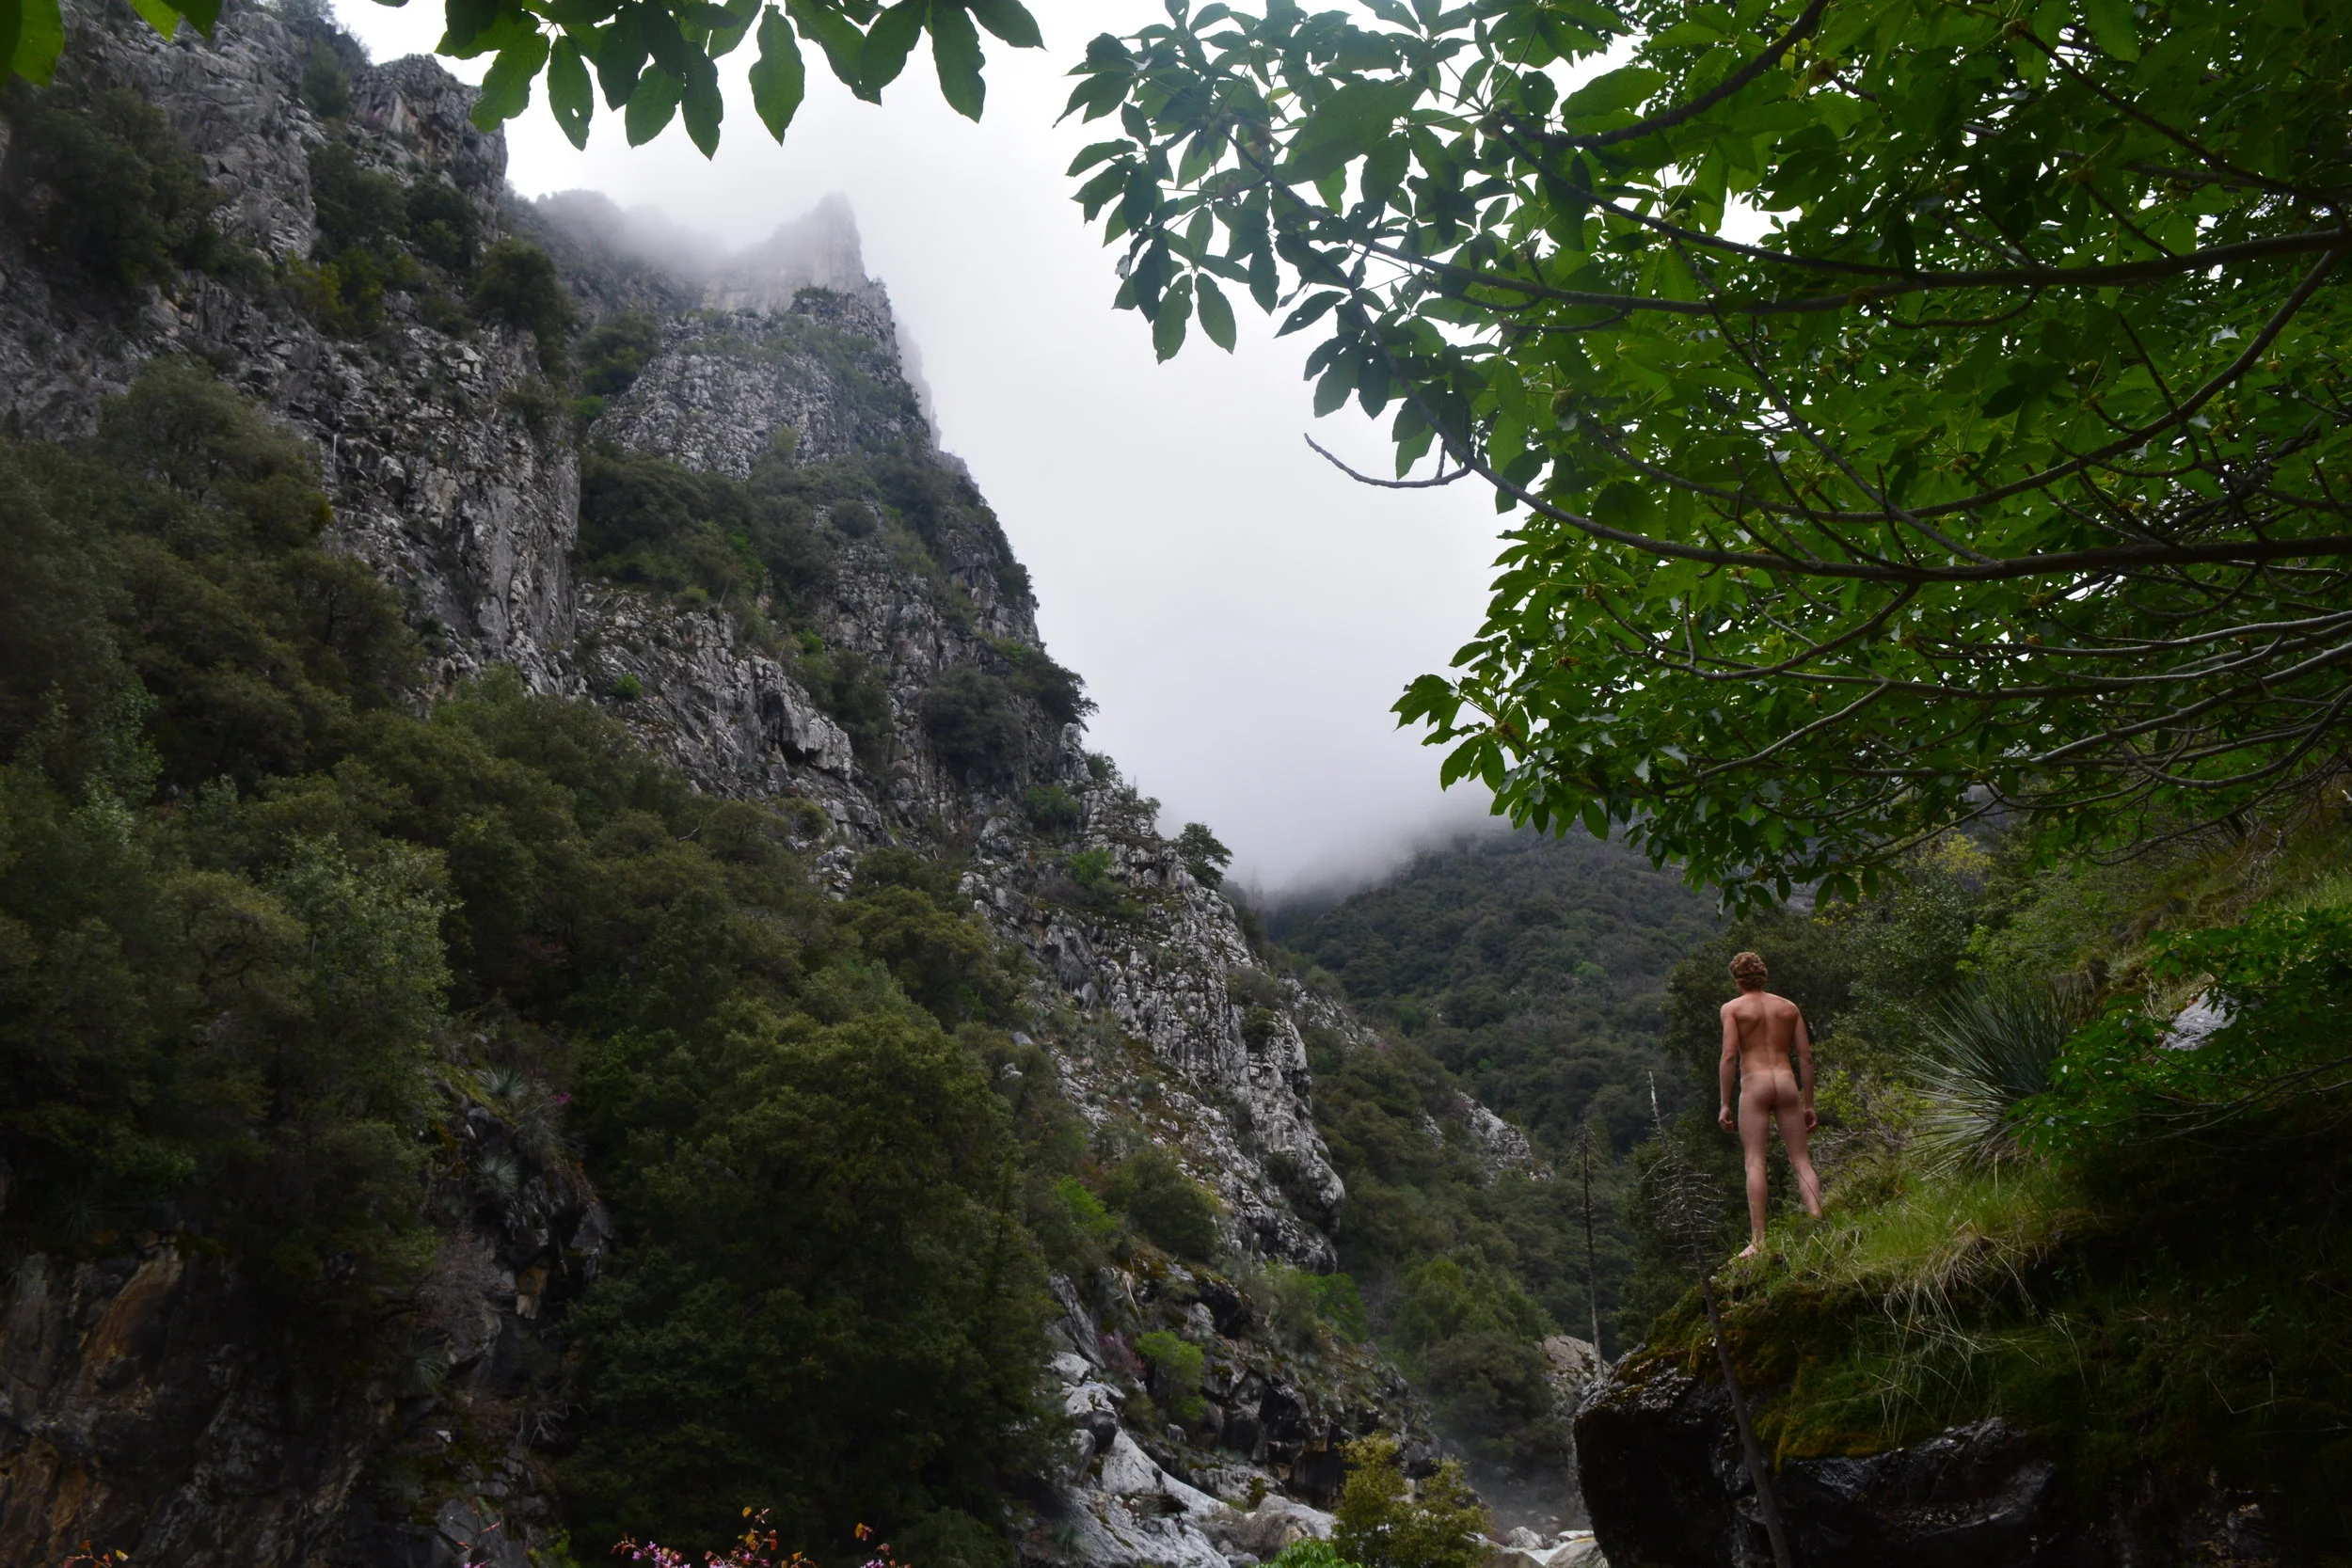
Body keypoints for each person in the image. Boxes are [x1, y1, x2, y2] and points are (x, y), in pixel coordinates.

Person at [1717, 950, 1822, 1258]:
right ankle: (1818, 1220)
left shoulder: (1733, 1009)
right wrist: (1809, 1102)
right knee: (1801, 1160)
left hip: (1755, 1083)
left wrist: (1724, 1103)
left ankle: (1759, 1241)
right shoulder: (1788, 1008)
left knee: (1754, 1161)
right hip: (1786, 1081)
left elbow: (1729, 1056)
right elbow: (1805, 1056)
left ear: (1737, 980)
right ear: (1763, 975)